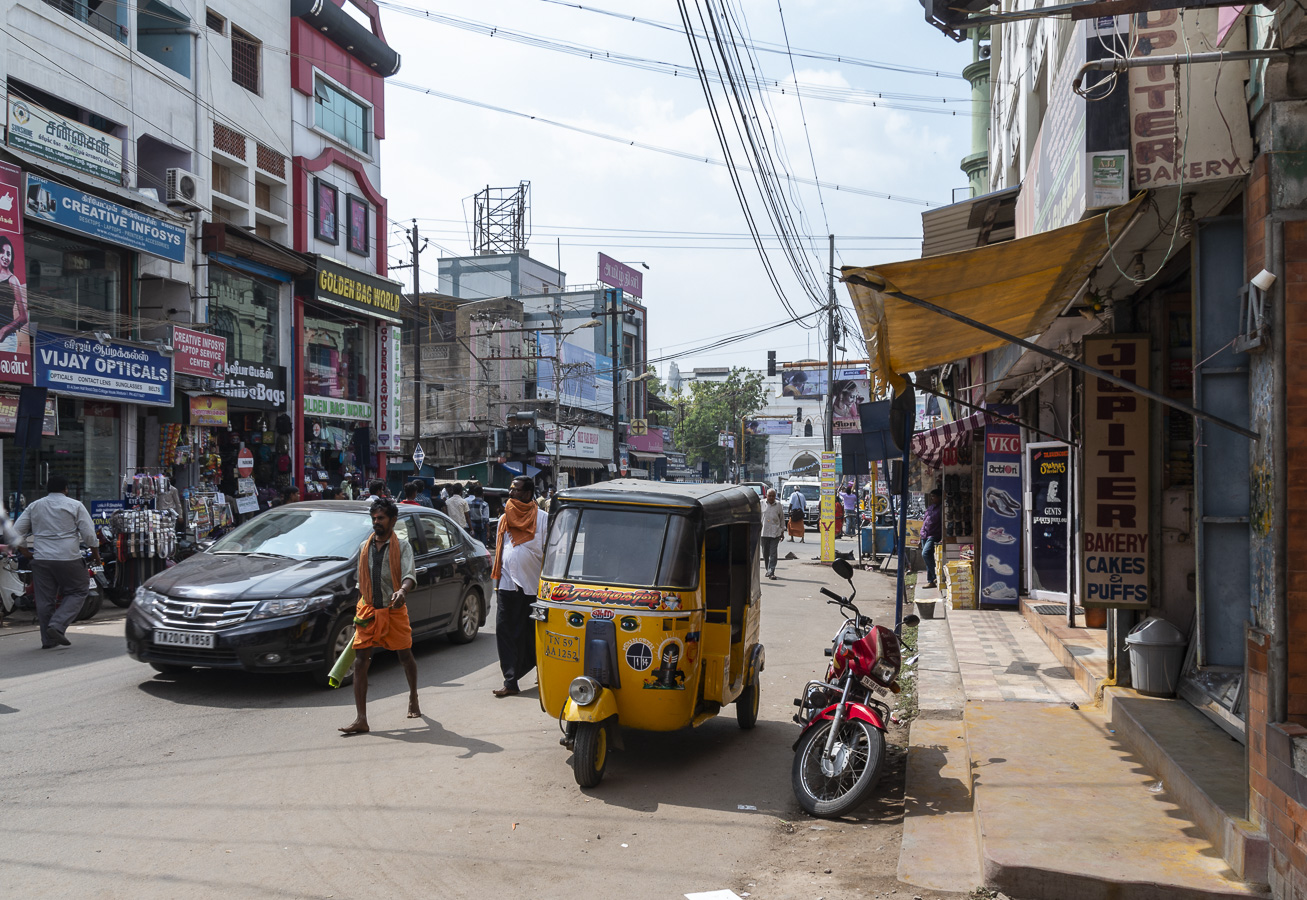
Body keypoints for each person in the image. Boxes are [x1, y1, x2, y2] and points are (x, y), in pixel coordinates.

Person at [339, 499, 420, 735]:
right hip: (368, 611)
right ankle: (361, 718)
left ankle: (413, 695)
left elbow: (409, 575)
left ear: (393, 521)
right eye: (374, 518)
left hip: (394, 611)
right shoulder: (365, 547)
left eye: (381, 518)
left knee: (405, 656)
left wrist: (402, 591)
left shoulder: (403, 547)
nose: (376, 522)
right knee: (361, 660)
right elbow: (360, 580)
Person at [12, 475, 102, 649]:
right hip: (68, 558)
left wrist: (25, 551)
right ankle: (58, 625)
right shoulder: (75, 505)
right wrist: (96, 554)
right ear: (66, 489)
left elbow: (15, 531)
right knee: (78, 590)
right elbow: (89, 534)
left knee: (45, 600)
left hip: (41, 559)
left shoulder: (34, 506)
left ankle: (48, 640)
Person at [490, 476, 548, 697]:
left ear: (528, 493)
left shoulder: (542, 519)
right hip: (507, 584)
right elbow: (502, 552)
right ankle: (510, 681)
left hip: (534, 587)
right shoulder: (505, 518)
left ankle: (539, 671)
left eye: (516, 490)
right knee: (504, 632)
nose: (511, 493)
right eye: (510, 489)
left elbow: (550, 553)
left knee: (532, 635)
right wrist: (497, 584)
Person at [0, 235, 29, 352]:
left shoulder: (12, 280)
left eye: (9, 253)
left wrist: (4, 330)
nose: (5, 256)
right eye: (2, 252)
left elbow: (23, 317)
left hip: (6, 340)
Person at [759, 488, 785, 579]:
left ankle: (771, 571)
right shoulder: (761, 503)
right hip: (763, 532)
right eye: (769, 495)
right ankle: (768, 570)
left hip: (775, 533)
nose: (771, 497)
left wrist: (782, 532)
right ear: (766, 495)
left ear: (775, 496)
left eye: (773, 496)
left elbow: (782, 519)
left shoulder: (778, 505)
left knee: (773, 553)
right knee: (765, 553)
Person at [921, 488, 943, 588]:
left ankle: (935, 576)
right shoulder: (930, 508)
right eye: (931, 496)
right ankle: (931, 581)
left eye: (934, 496)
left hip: (933, 535)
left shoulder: (941, 509)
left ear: (939, 497)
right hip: (924, 535)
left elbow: (943, 524)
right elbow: (925, 522)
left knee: (925, 554)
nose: (932, 498)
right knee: (927, 557)